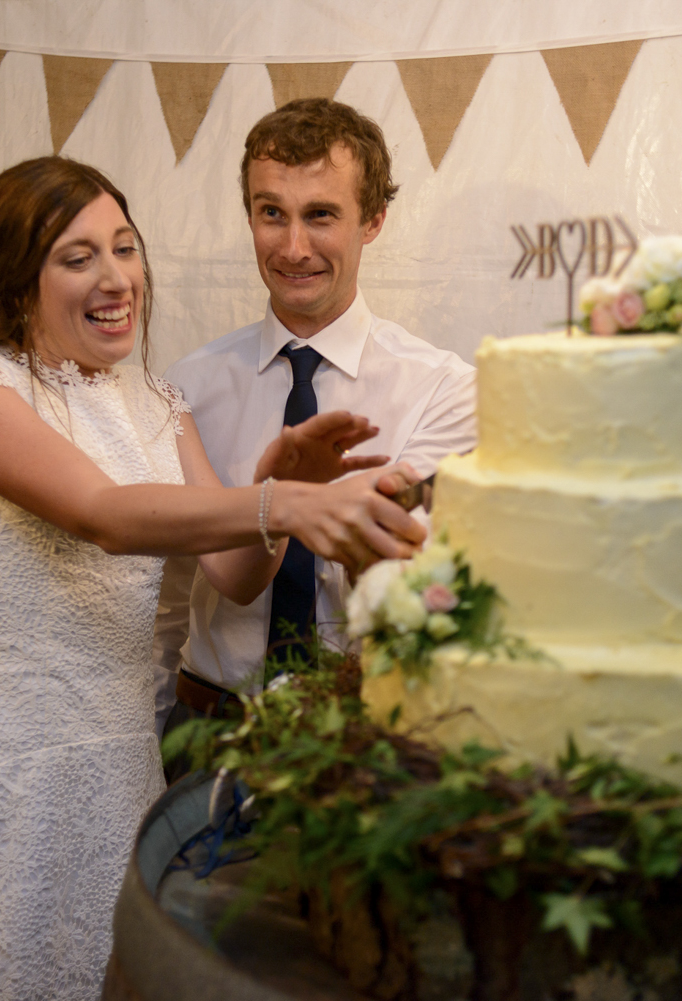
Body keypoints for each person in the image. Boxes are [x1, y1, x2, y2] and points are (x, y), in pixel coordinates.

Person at [0, 156, 424, 1001]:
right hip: (7, 764)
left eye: (126, 248)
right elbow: (103, 513)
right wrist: (275, 499)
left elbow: (237, 574)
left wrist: (295, 479)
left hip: (124, 769)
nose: (116, 279)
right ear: (16, 276)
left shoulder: (158, 402)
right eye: (78, 257)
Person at [154, 99, 477, 738]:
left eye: (321, 215)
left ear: (374, 221)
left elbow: (431, 595)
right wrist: (155, 737)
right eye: (271, 213)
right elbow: (164, 597)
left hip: (364, 736)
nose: (294, 248)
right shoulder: (185, 389)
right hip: (207, 727)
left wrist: (328, 509)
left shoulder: (444, 388)